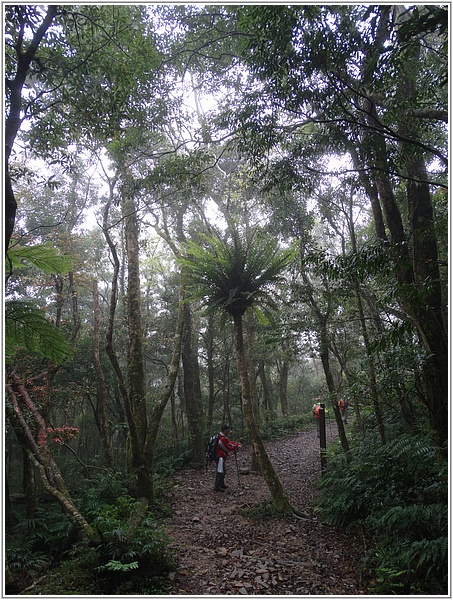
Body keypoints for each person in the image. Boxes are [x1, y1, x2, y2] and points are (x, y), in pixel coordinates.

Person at [214, 424, 241, 492]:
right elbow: (227, 448)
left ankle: (221, 484)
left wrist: (236, 444)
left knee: (223, 470)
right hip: (220, 457)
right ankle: (217, 486)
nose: (229, 431)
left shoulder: (222, 437)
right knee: (220, 471)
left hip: (221, 456)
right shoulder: (222, 438)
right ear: (225, 430)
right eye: (228, 429)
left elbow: (229, 442)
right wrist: (235, 447)